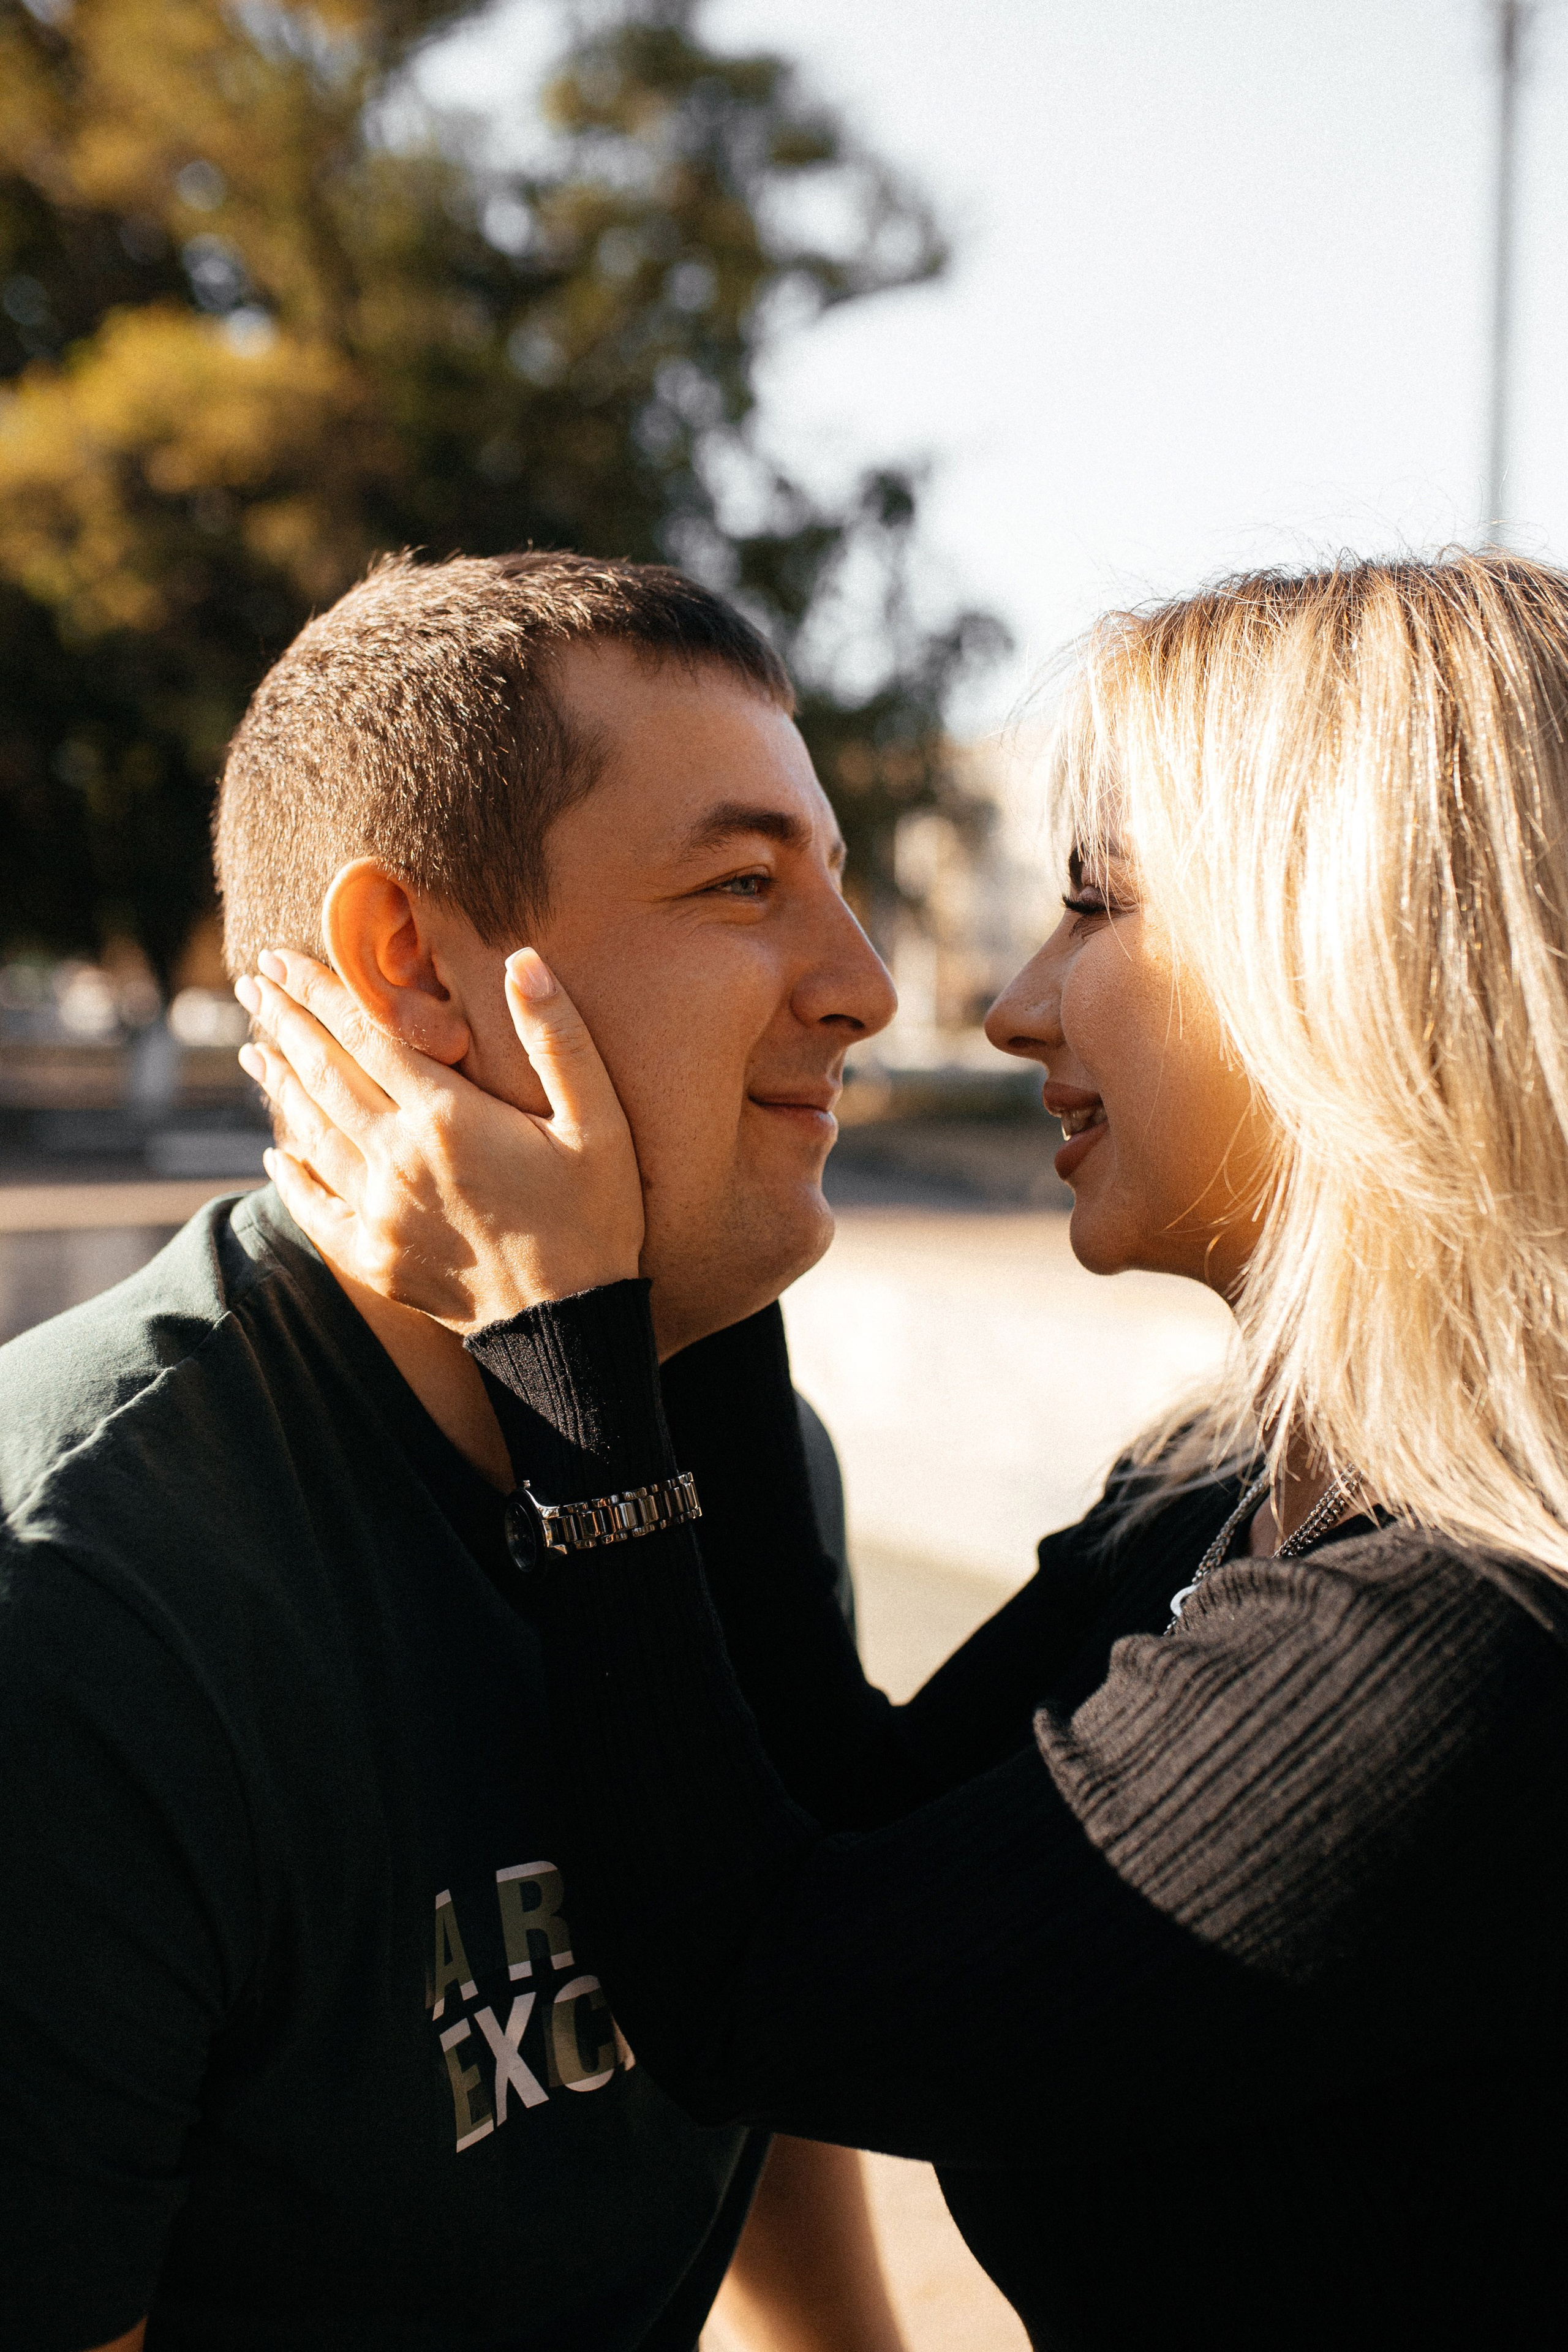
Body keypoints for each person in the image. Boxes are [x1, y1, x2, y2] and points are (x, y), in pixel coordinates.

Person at [246, 551, 1568, 2351]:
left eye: (1099, 905)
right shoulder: (1232, 1486)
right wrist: (683, 1250)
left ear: (1344, 953)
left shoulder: (1473, 1640)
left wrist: (568, 1348)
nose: (1011, 1002)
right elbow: (841, 1818)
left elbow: (761, 1981)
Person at [0, 553, 910, 2352]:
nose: (865, 987)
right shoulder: (89, 1605)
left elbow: (766, 1967)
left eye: (840, 887)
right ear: (410, 964)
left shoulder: (746, 1440)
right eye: (745, 884)